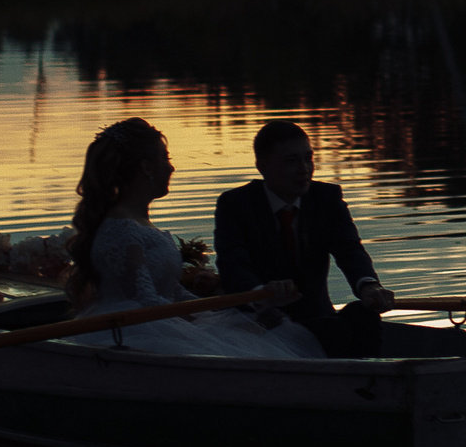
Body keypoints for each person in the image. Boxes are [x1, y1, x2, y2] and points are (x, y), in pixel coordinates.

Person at [64, 117, 322, 360]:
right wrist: (206, 322)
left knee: (257, 332)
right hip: (139, 330)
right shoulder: (122, 230)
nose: (172, 167)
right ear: (146, 168)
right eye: (166, 158)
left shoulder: (138, 222)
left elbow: (173, 293)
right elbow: (145, 303)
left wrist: (219, 308)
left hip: (163, 319)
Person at [213, 120, 395, 358]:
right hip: (262, 324)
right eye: (292, 161)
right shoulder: (235, 204)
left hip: (319, 317)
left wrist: (369, 286)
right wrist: (262, 292)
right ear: (263, 166)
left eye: (308, 158)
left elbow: (349, 250)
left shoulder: (327, 198)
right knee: (334, 330)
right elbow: (232, 264)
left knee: (363, 314)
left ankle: (370, 381)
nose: (304, 169)